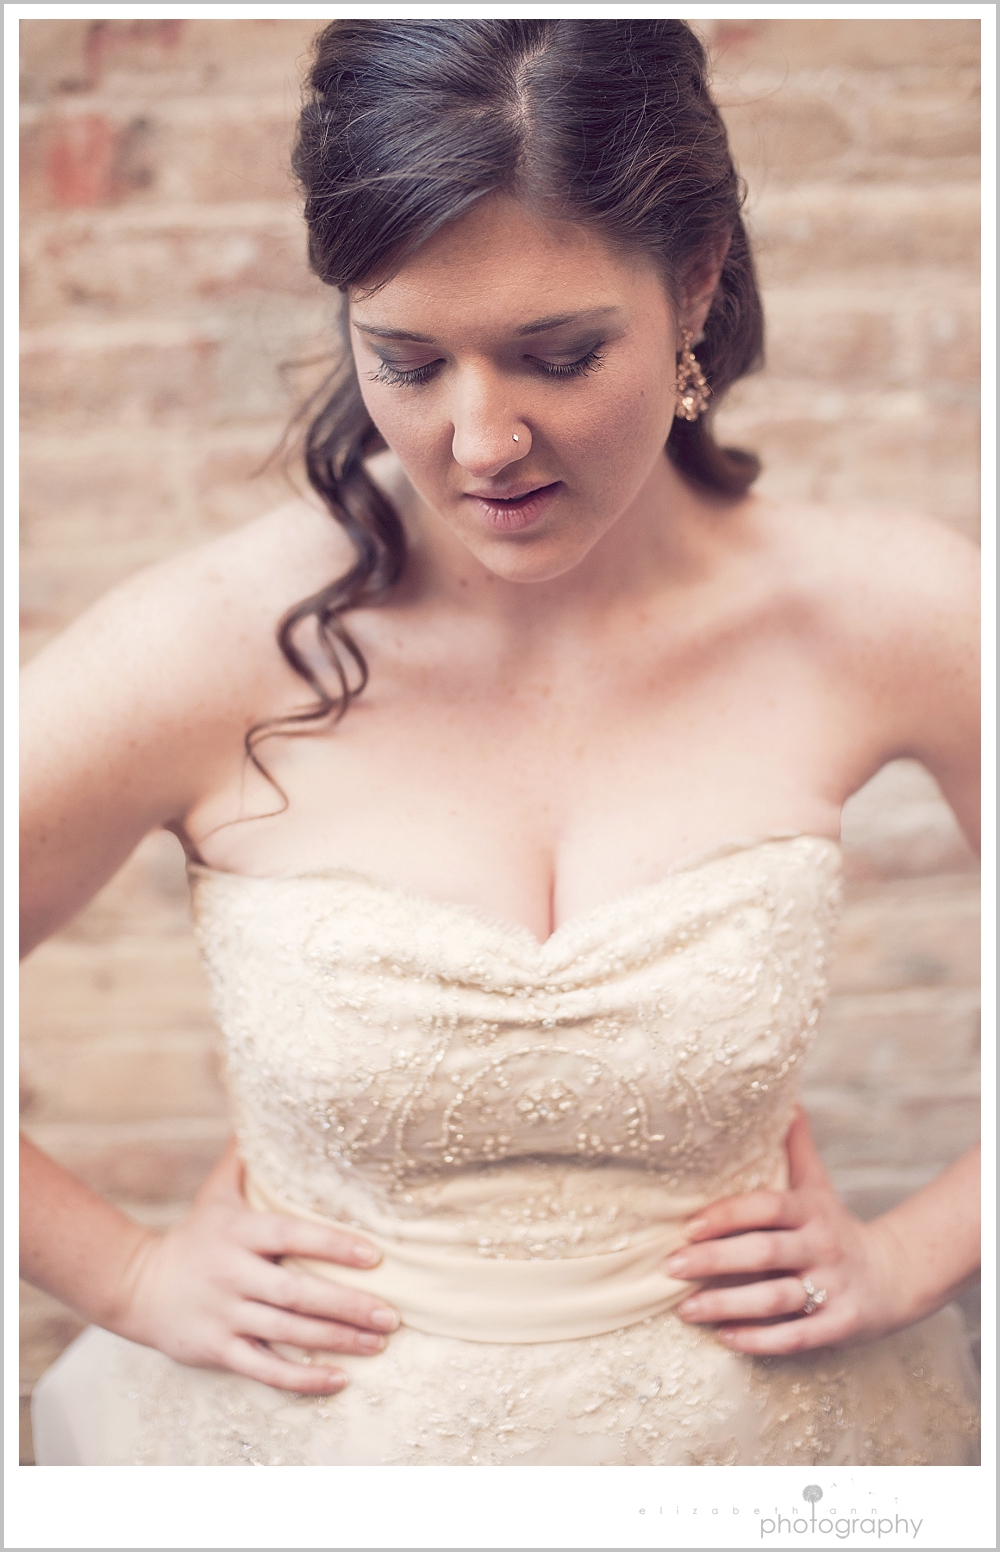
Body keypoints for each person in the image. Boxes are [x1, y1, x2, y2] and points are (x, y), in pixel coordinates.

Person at [23, 19, 980, 1466]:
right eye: (407, 361)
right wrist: (129, 1274)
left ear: (696, 282)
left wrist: (918, 1252)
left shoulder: (887, 611)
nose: (480, 443)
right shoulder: (211, 643)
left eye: (559, 355)